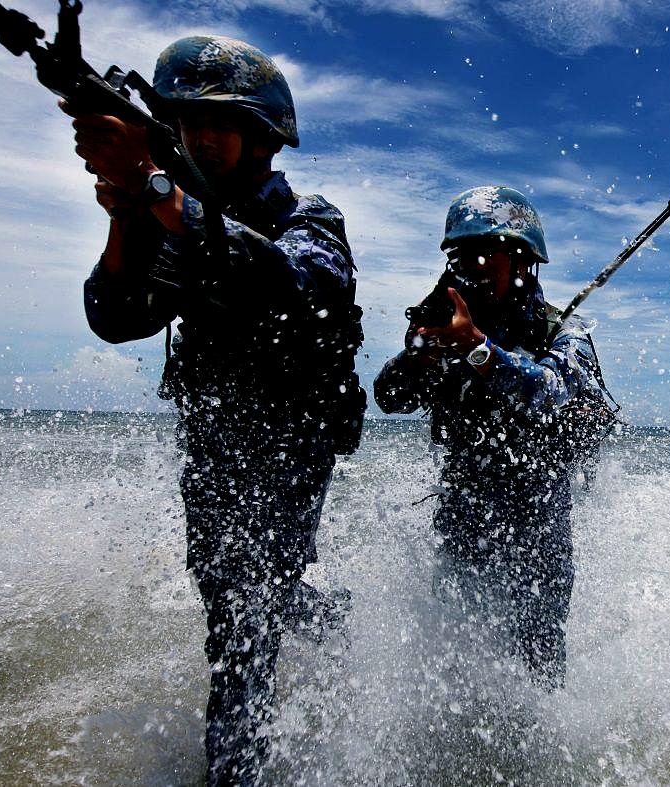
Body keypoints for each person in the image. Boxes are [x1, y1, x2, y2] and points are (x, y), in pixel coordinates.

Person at [69, 36, 364, 784]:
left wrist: (156, 191)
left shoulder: (309, 219)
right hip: (213, 450)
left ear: (263, 136)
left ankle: (236, 775)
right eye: (186, 122)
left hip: (290, 448)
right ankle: (325, 616)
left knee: (242, 627)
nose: (199, 137)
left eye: (218, 123)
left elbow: (297, 286)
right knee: (232, 598)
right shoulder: (178, 215)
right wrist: (125, 211)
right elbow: (117, 317)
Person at [374, 186, 604, 689]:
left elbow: (549, 393)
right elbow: (389, 399)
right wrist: (419, 355)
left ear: (522, 261)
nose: (471, 267)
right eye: (461, 256)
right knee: (455, 655)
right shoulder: (449, 320)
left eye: (485, 254)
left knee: (539, 664)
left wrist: (478, 349)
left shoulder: (563, 330)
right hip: (463, 507)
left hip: (538, 517)